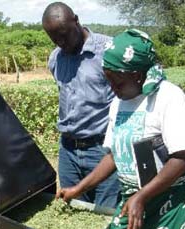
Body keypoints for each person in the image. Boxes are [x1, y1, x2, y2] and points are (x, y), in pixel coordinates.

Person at [56, 29, 185, 229]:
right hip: (134, 199)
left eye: (118, 82)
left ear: (137, 75)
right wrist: (78, 189)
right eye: (109, 81)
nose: (113, 89)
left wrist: (142, 196)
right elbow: (114, 155)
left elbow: (183, 157)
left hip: (172, 202)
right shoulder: (120, 101)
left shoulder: (168, 97)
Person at [42, 2, 120, 208]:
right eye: (54, 38)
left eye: (64, 34)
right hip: (68, 150)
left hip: (102, 150)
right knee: (74, 210)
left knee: (105, 215)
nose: (61, 42)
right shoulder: (55, 58)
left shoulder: (108, 52)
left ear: (76, 20)